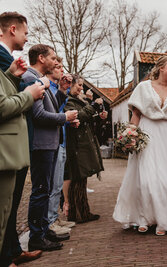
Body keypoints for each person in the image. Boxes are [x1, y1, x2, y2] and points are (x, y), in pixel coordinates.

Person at [113, 56, 167, 236]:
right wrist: (130, 134)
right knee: (145, 179)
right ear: (161, 68)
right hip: (147, 134)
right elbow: (136, 114)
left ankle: (165, 219)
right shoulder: (143, 87)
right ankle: (143, 218)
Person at [0, 12, 43, 266]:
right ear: (13, 29)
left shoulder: (8, 61)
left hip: (14, 144)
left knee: (10, 206)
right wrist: (29, 93)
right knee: (6, 206)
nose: (27, 38)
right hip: (7, 146)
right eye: (26, 33)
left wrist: (11, 75)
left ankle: (11, 250)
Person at [27, 44, 78, 252]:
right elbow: (38, 115)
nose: (57, 62)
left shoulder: (41, 80)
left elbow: (51, 107)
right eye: (54, 58)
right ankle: (36, 237)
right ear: (41, 58)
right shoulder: (31, 79)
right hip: (41, 144)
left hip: (48, 143)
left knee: (45, 190)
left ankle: (43, 230)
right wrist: (64, 117)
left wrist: (63, 91)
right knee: (40, 191)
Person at [64, 75, 103, 224]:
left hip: (82, 143)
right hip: (76, 145)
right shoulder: (68, 101)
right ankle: (79, 214)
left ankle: (82, 212)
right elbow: (78, 117)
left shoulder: (78, 100)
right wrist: (92, 105)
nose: (81, 88)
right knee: (78, 177)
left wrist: (98, 115)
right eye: (79, 85)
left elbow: (86, 117)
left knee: (82, 178)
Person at [46, 58, 76, 236]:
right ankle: (49, 222)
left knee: (57, 185)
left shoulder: (57, 88)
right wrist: (65, 117)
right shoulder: (46, 86)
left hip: (61, 139)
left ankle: (53, 218)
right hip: (54, 141)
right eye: (58, 67)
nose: (62, 70)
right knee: (52, 186)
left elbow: (59, 111)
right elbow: (52, 114)